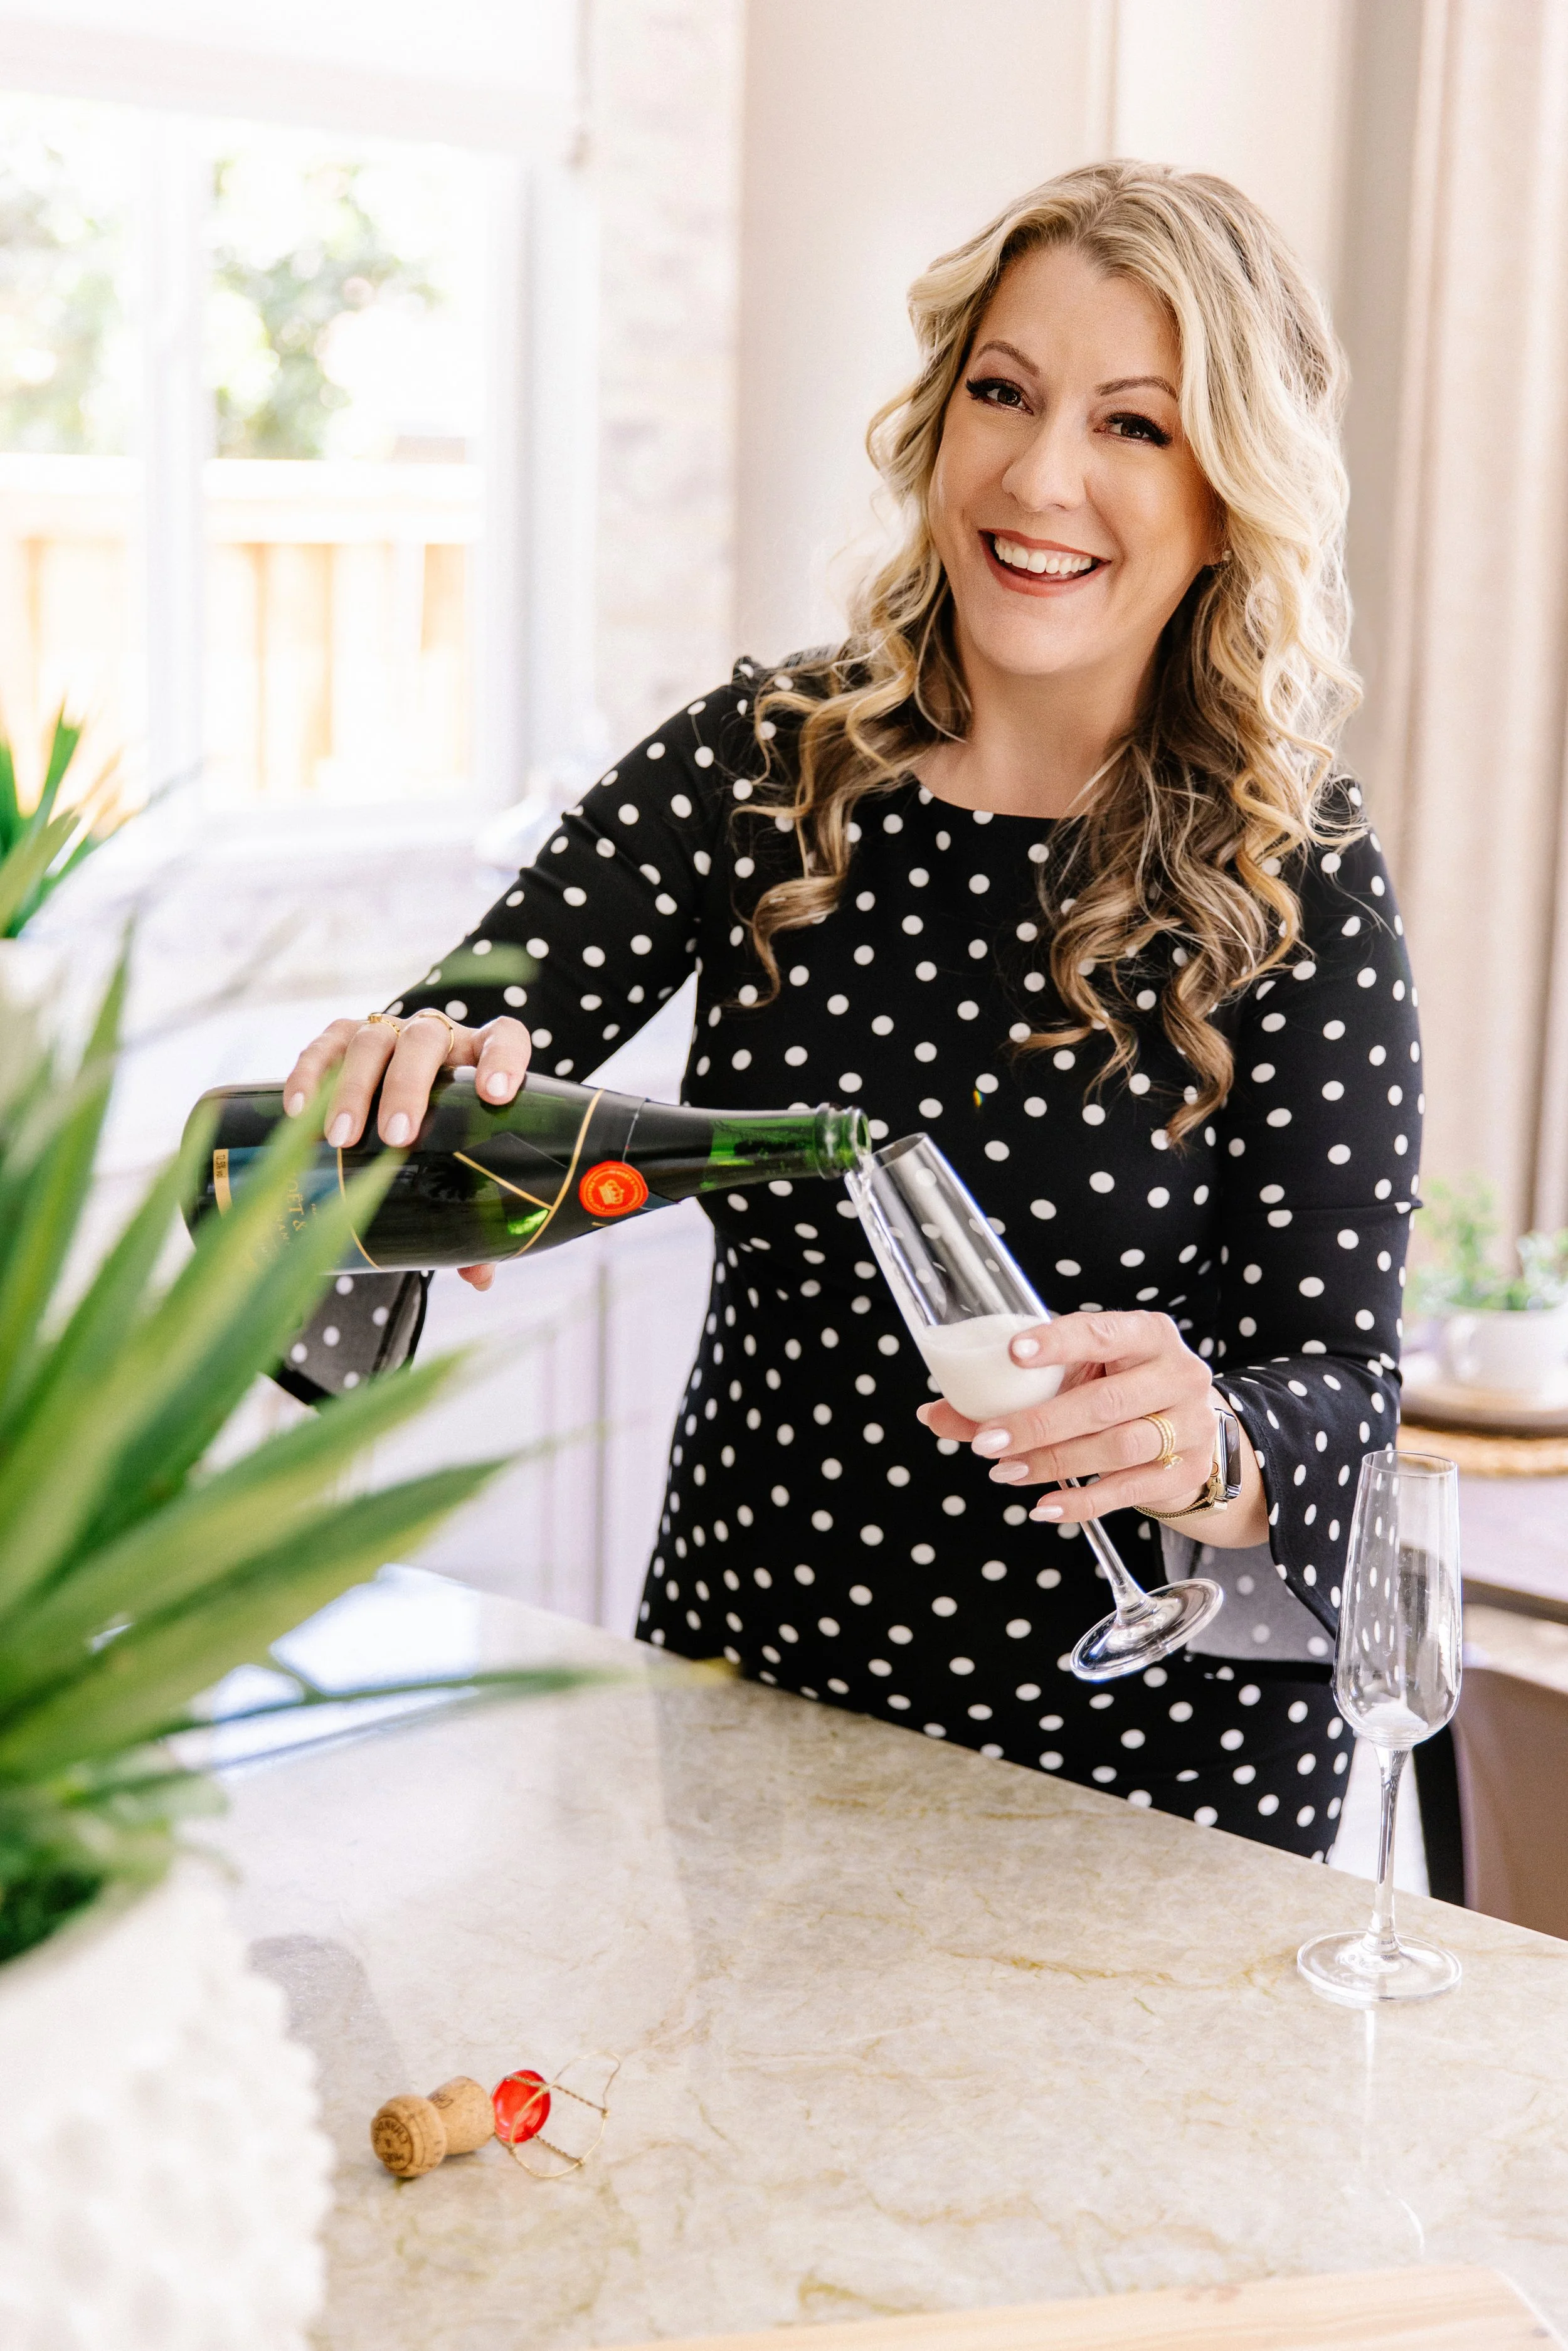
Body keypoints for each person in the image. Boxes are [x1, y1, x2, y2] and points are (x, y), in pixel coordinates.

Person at [284, 162, 1418, 1857]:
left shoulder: (1293, 874)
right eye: (1003, 393)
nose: (1038, 477)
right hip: (750, 1704)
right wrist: (395, 1092)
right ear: (939, 414)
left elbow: (1341, 1392)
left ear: (1225, 499)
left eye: (1132, 425)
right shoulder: (761, 765)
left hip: (1143, 1776)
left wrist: (1212, 1444)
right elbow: (453, 1064)